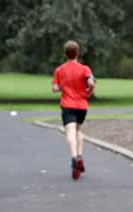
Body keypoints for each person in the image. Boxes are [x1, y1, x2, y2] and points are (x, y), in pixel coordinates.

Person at [52, 40, 95, 180]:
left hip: (67, 105)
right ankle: (80, 155)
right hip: (82, 106)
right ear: (78, 53)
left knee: (70, 132)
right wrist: (89, 92)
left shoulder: (59, 70)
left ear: (66, 54)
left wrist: (62, 86)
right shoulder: (85, 69)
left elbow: (54, 89)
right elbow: (91, 82)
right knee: (78, 131)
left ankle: (74, 158)